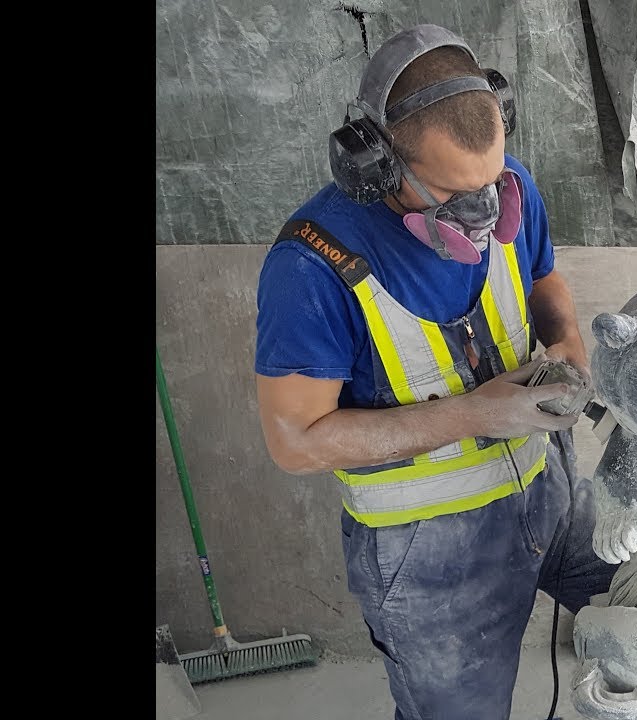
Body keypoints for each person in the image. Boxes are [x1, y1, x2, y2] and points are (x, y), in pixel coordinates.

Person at [253, 23, 617, 719]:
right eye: (454, 195)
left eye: (493, 182)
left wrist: (567, 343)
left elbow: (544, 283)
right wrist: (477, 414)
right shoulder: (312, 267)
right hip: (431, 559)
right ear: (376, 165)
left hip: (551, 490)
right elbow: (294, 442)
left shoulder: (508, 188)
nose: (487, 215)